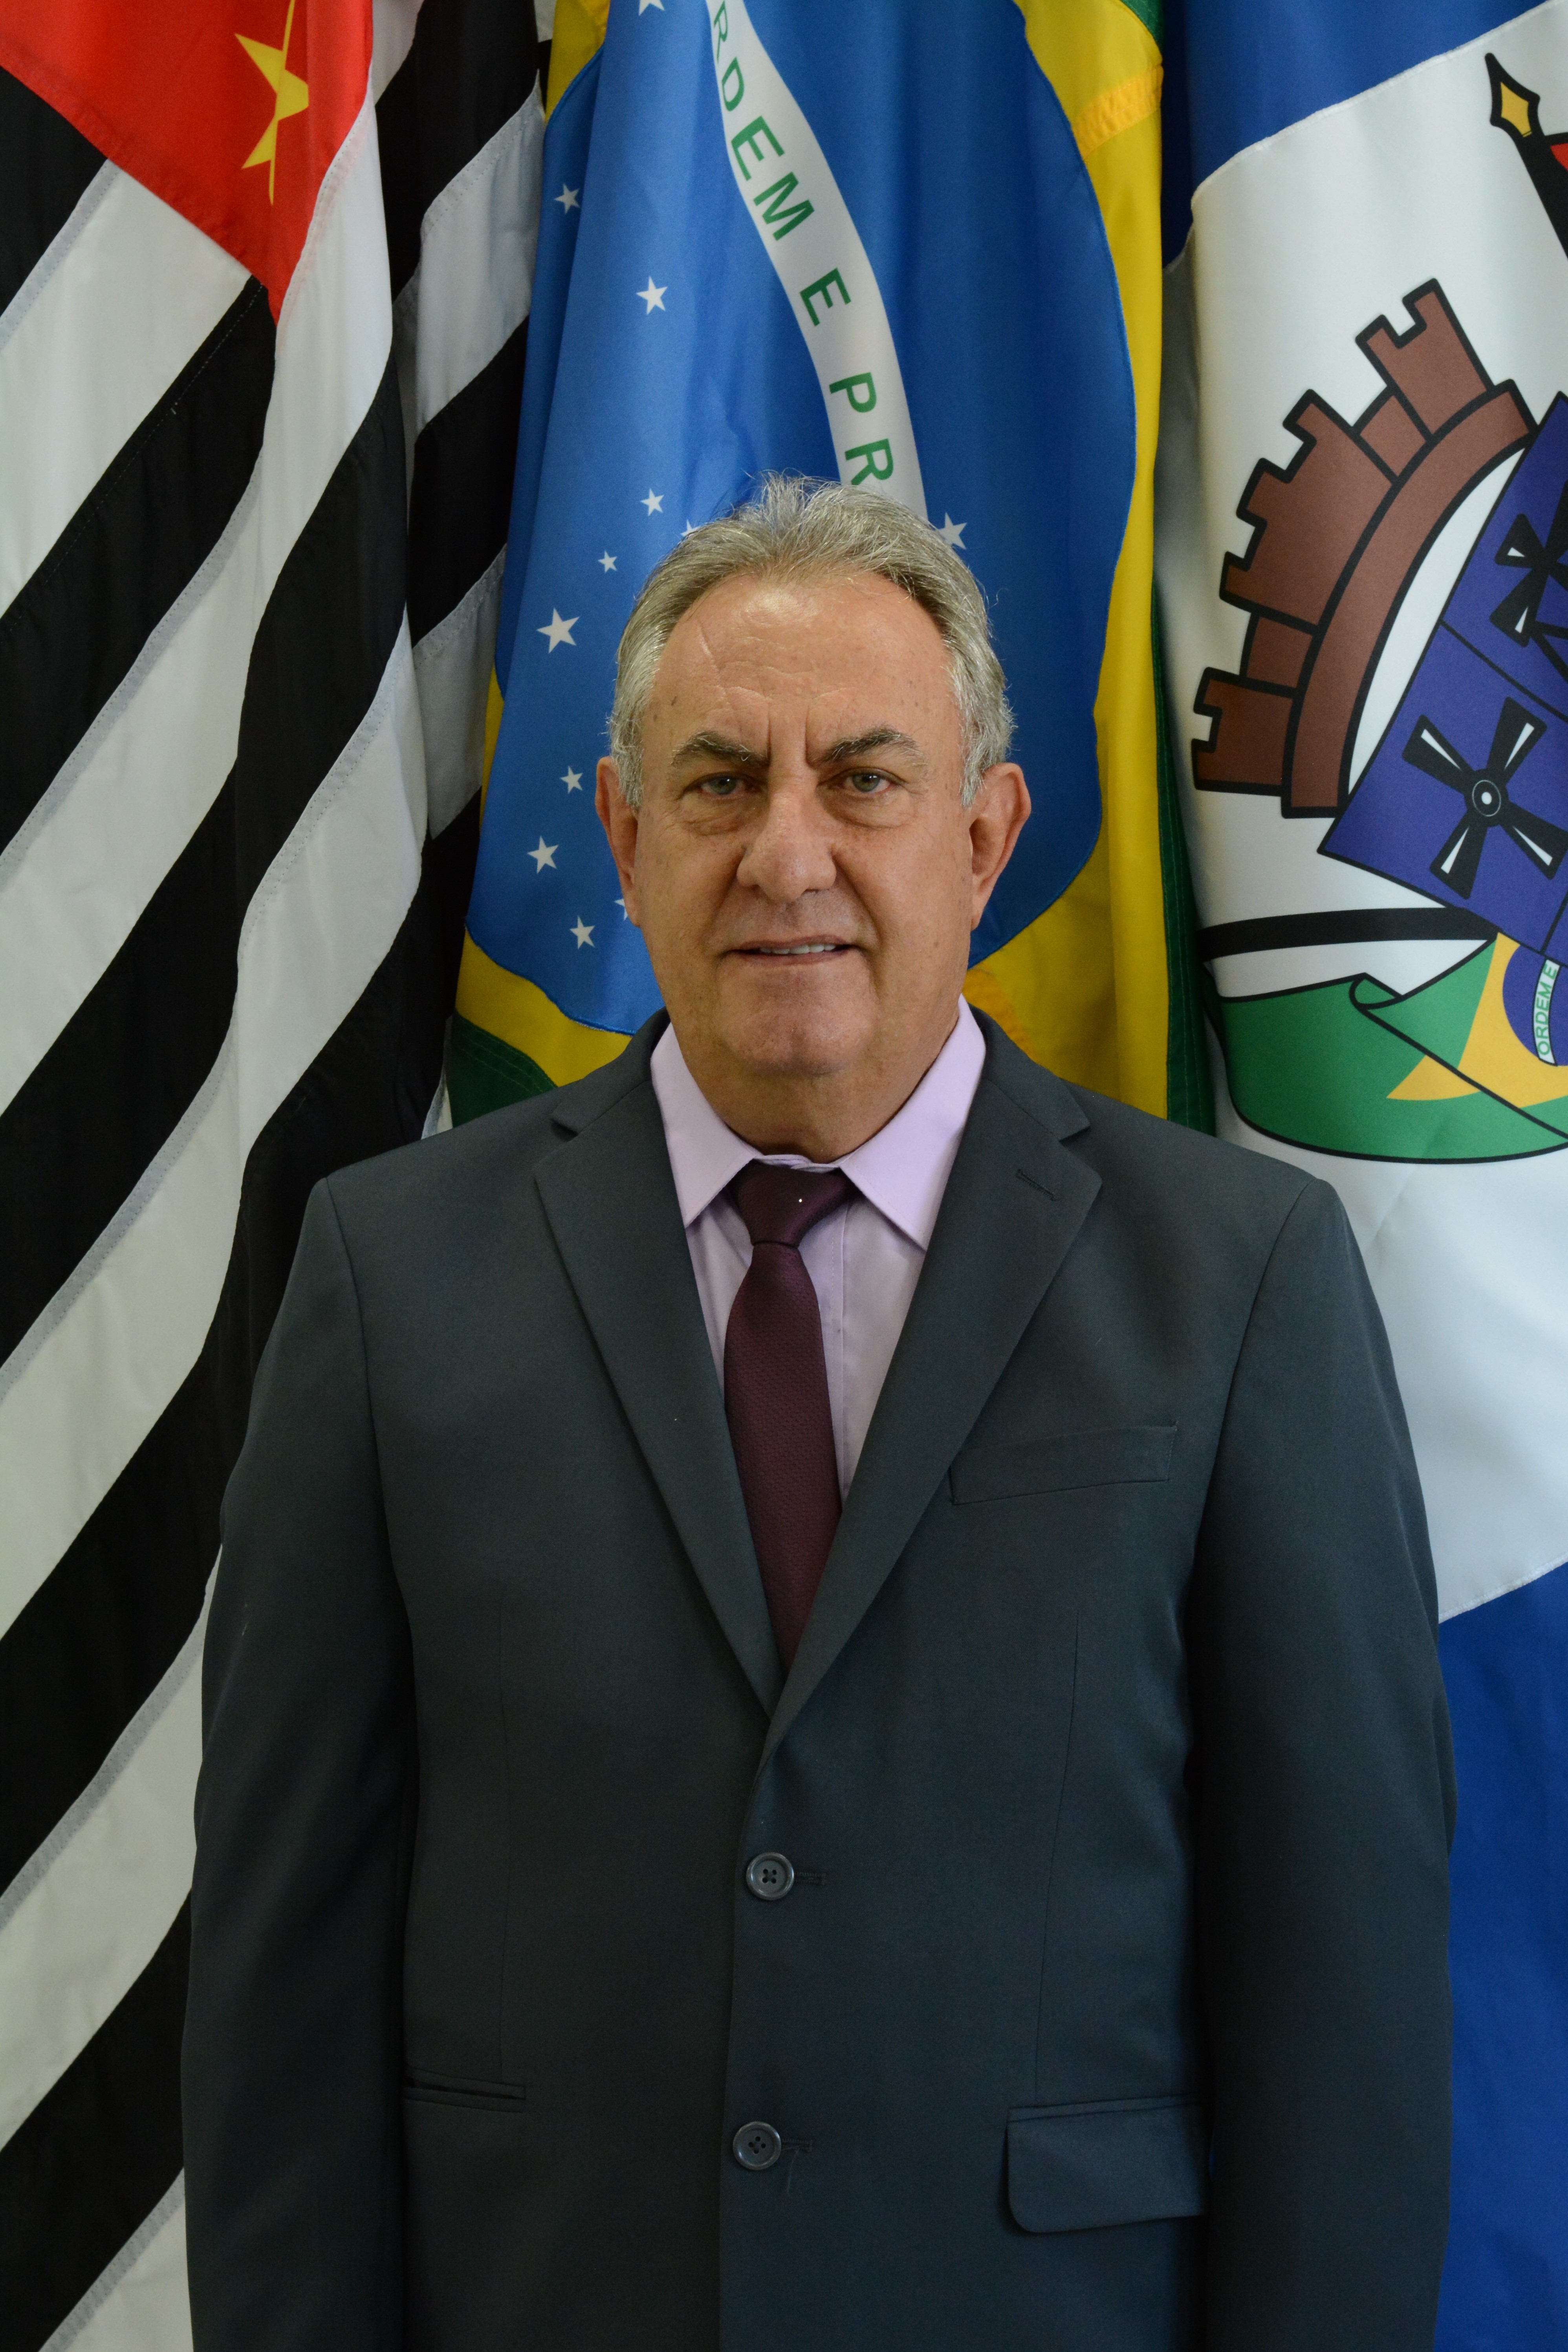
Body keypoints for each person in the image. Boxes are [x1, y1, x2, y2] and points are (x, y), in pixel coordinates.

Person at [183, 476, 1455, 2351]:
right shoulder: (389, 1282)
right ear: (624, 839)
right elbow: (279, 1993)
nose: (786, 855)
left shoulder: (1240, 1283)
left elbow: (1341, 1988)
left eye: (862, 780)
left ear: (983, 836)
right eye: (718, 783)